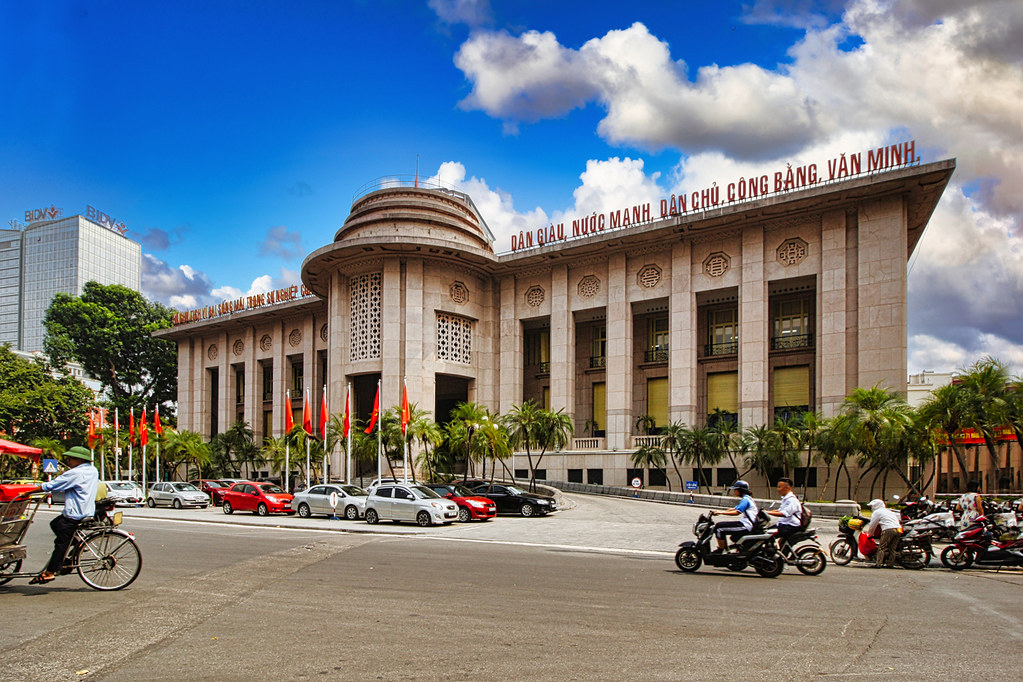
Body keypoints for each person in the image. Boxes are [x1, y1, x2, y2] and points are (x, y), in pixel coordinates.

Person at [20, 446, 99, 584]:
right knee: (55, 524)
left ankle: (50, 572)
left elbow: (52, 485)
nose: (68, 461)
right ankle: (78, 544)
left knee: (61, 542)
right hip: (86, 510)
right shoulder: (92, 470)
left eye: (71, 459)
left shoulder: (76, 473)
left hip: (74, 514)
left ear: (79, 460)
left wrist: (28, 492)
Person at [710, 480, 759, 552]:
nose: (734, 491)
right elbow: (735, 508)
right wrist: (719, 511)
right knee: (721, 526)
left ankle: (721, 550)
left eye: (735, 489)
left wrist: (721, 512)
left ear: (740, 490)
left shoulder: (745, 499)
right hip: (746, 524)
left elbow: (737, 512)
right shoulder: (748, 498)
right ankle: (727, 549)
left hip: (746, 526)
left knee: (719, 528)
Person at [863, 498, 902, 568]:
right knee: (892, 548)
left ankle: (878, 564)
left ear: (876, 506)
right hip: (898, 529)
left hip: (888, 529)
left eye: (872, 506)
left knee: (881, 547)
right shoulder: (889, 511)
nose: (871, 508)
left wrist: (870, 534)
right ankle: (890, 564)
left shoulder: (877, 512)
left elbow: (873, 524)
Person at [766, 477, 802, 548]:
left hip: (790, 526)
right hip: (784, 524)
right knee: (766, 532)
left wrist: (768, 513)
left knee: (767, 535)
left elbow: (784, 513)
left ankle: (771, 551)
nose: (778, 489)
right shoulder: (786, 499)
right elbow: (780, 510)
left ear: (787, 488)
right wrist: (767, 511)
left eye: (779, 487)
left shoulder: (791, 500)